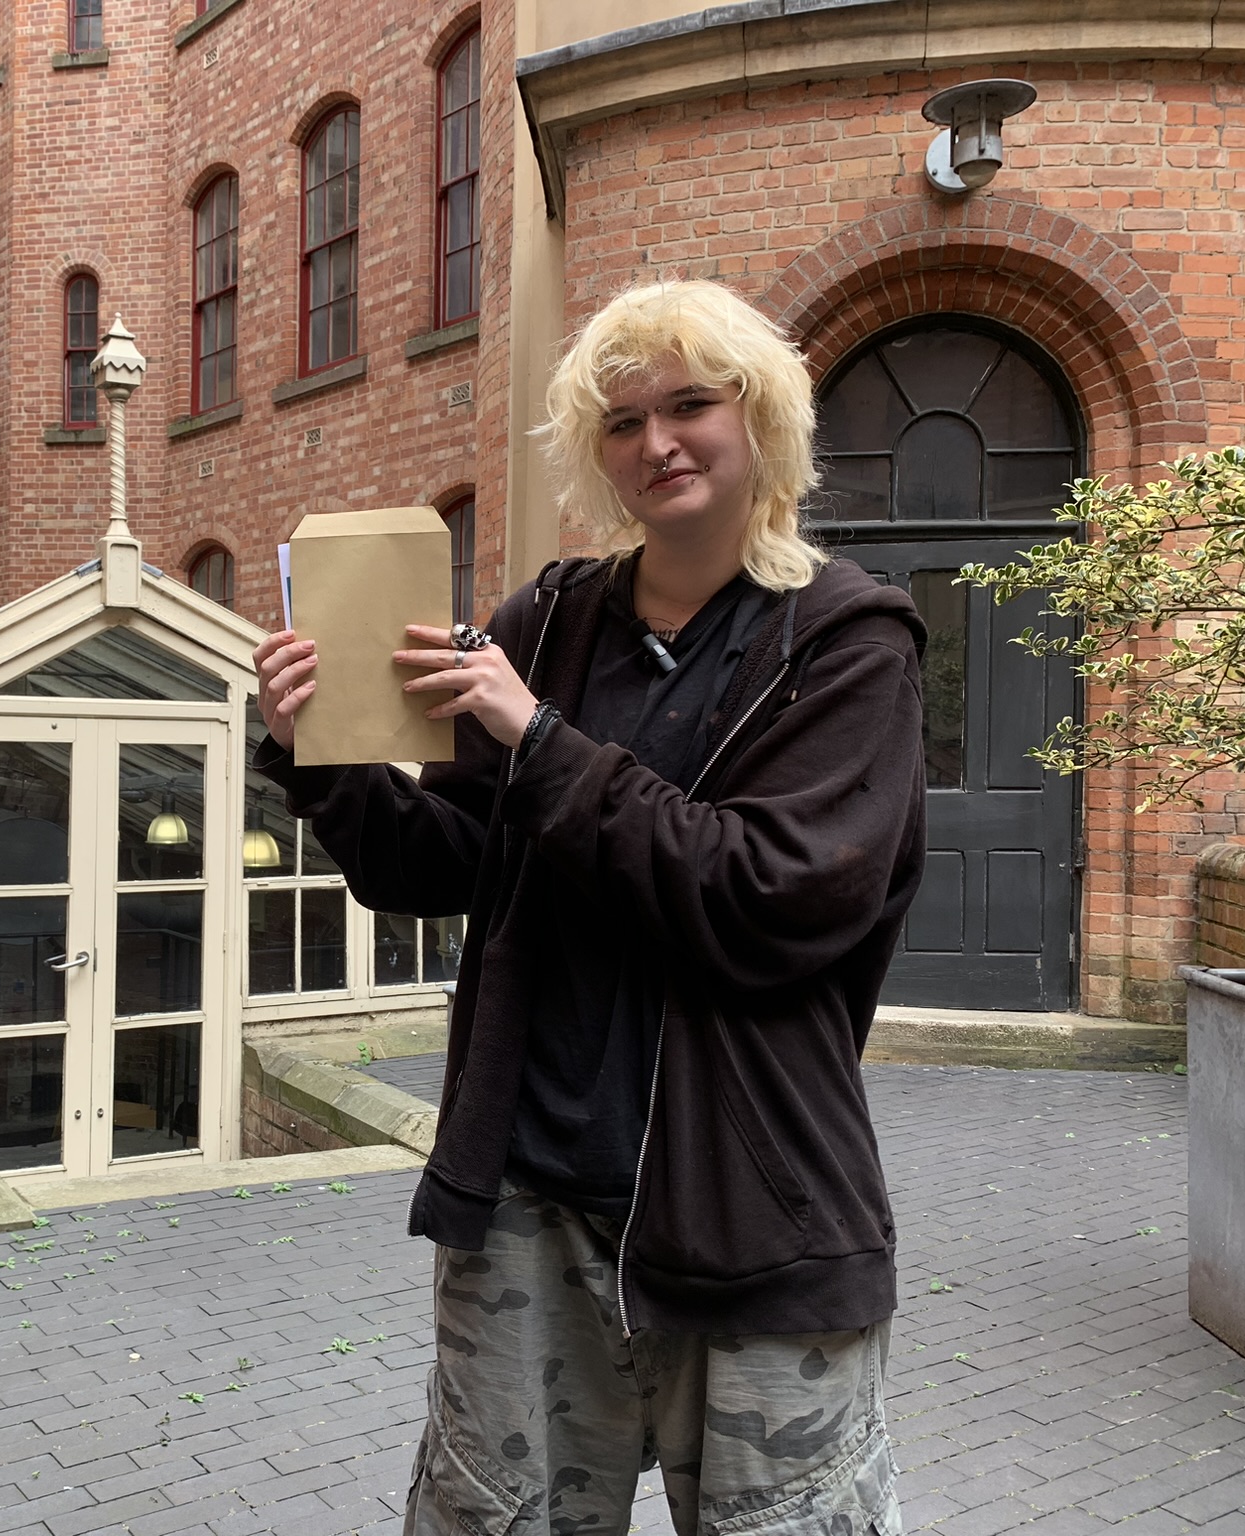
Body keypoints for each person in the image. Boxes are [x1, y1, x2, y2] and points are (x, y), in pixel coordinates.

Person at [250, 279, 927, 1536]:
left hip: (753, 1214)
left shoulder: (844, 643)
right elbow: (443, 867)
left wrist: (540, 739)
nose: (654, 442)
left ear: (759, 417)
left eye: (688, 405)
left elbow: (771, 897)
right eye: (619, 422)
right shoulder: (542, 623)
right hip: (527, 1203)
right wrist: (319, 760)